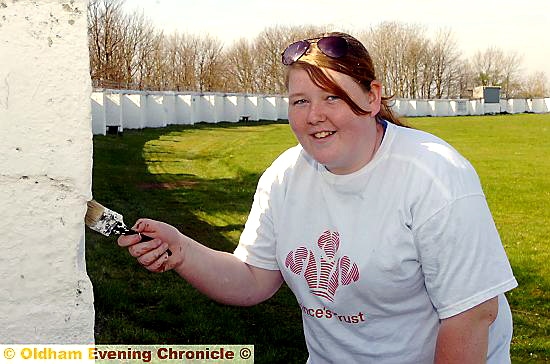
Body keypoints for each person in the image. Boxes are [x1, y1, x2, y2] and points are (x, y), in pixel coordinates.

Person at [118, 32, 518, 363]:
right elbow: (253, 279)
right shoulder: (286, 175)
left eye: (332, 97)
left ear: (372, 97)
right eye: (300, 101)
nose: (314, 116)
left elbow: (472, 314)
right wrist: (182, 250)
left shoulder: (435, 175)